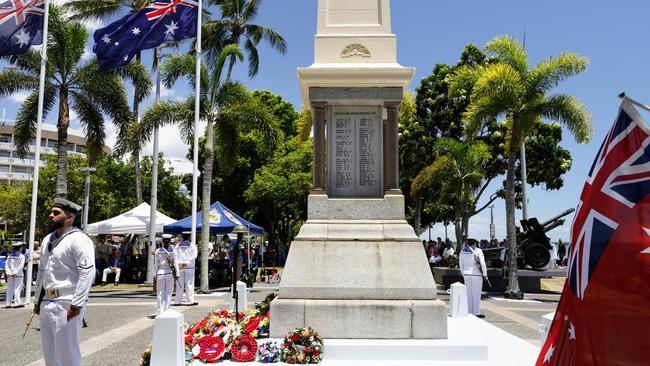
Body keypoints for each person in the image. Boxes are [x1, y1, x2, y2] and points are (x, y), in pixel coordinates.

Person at [34, 198, 95, 366]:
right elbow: (42, 271)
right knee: (50, 355)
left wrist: (77, 304)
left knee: (67, 352)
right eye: (51, 212)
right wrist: (37, 301)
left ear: (69, 217)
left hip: (67, 302)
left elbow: (87, 272)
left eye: (56, 213)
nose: (50, 215)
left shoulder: (79, 239)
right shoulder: (47, 240)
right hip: (47, 300)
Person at [459, 238, 488, 318]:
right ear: (475, 243)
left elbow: (461, 264)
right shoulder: (478, 251)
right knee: (476, 293)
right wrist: (485, 274)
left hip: (466, 274)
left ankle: (468, 311)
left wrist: (463, 274)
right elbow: (482, 263)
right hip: (477, 274)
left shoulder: (463, 251)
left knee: (468, 293)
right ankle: (476, 312)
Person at [154, 234, 178, 314]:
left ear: (163, 241)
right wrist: (177, 274)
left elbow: (156, 264)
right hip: (169, 272)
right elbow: (175, 263)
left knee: (160, 292)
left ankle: (160, 311)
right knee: (168, 292)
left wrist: (155, 274)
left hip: (160, 272)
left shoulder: (158, 251)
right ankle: (167, 309)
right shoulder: (173, 250)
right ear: (170, 240)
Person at [174, 233, 198, 306]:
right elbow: (194, 255)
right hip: (189, 267)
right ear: (189, 237)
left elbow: (175, 256)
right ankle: (190, 301)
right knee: (189, 284)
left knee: (179, 285)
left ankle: (177, 301)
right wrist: (186, 262)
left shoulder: (177, 246)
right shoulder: (192, 245)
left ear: (182, 237)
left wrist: (180, 263)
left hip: (180, 267)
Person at [5, 242, 26, 308]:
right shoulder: (21, 256)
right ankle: (17, 303)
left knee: (9, 289)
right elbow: (20, 266)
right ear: (20, 247)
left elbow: (6, 265)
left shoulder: (10, 256)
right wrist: (14, 273)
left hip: (10, 275)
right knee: (17, 289)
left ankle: (8, 304)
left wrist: (8, 273)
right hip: (18, 275)